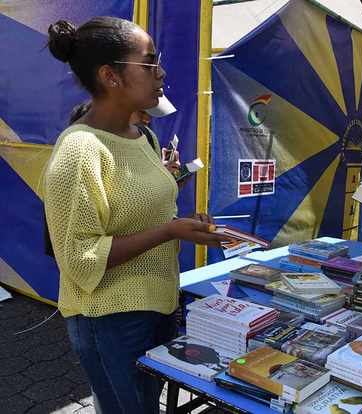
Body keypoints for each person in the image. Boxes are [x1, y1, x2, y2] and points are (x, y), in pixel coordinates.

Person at [44, 17, 230, 413]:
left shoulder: (142, 135)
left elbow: (144, 209)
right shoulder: (79, 151)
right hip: (110, 320)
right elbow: (79, 260)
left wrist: (184, 225)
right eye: (148, 63)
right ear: (110, 76)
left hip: (157, 305)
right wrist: (168, 231)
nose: (161, 72)